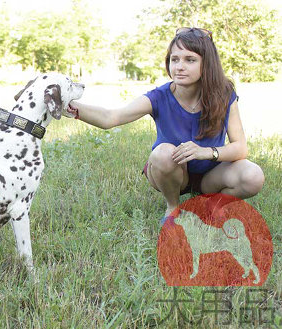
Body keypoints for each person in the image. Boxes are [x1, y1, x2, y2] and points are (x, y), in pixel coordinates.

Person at [67, 27, 265, 224]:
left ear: (207, 64)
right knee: (163, 153)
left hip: (211, 175)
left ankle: (212, 204)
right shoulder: (158, 97)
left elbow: (240, 148)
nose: (179, 66)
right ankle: (173, 207)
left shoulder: (224, 94)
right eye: (174, 59)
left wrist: (205, 152)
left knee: (253, 175)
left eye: (190, 60)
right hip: (171, 171)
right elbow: (111, 117)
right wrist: (69, 107)